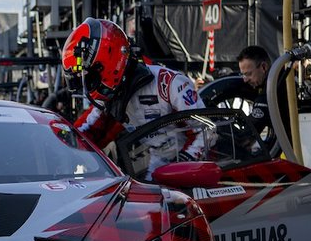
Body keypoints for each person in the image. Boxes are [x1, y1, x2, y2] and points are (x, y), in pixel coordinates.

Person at [62, 17, 207, 170]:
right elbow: (86, 132)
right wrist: (62, 143)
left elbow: (205, 131)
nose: (89, 85)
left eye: (90, 78)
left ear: (108, 62)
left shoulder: (168, 83)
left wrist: (185, 163)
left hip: (193, 165)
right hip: (157, 163)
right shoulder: (111, 97)